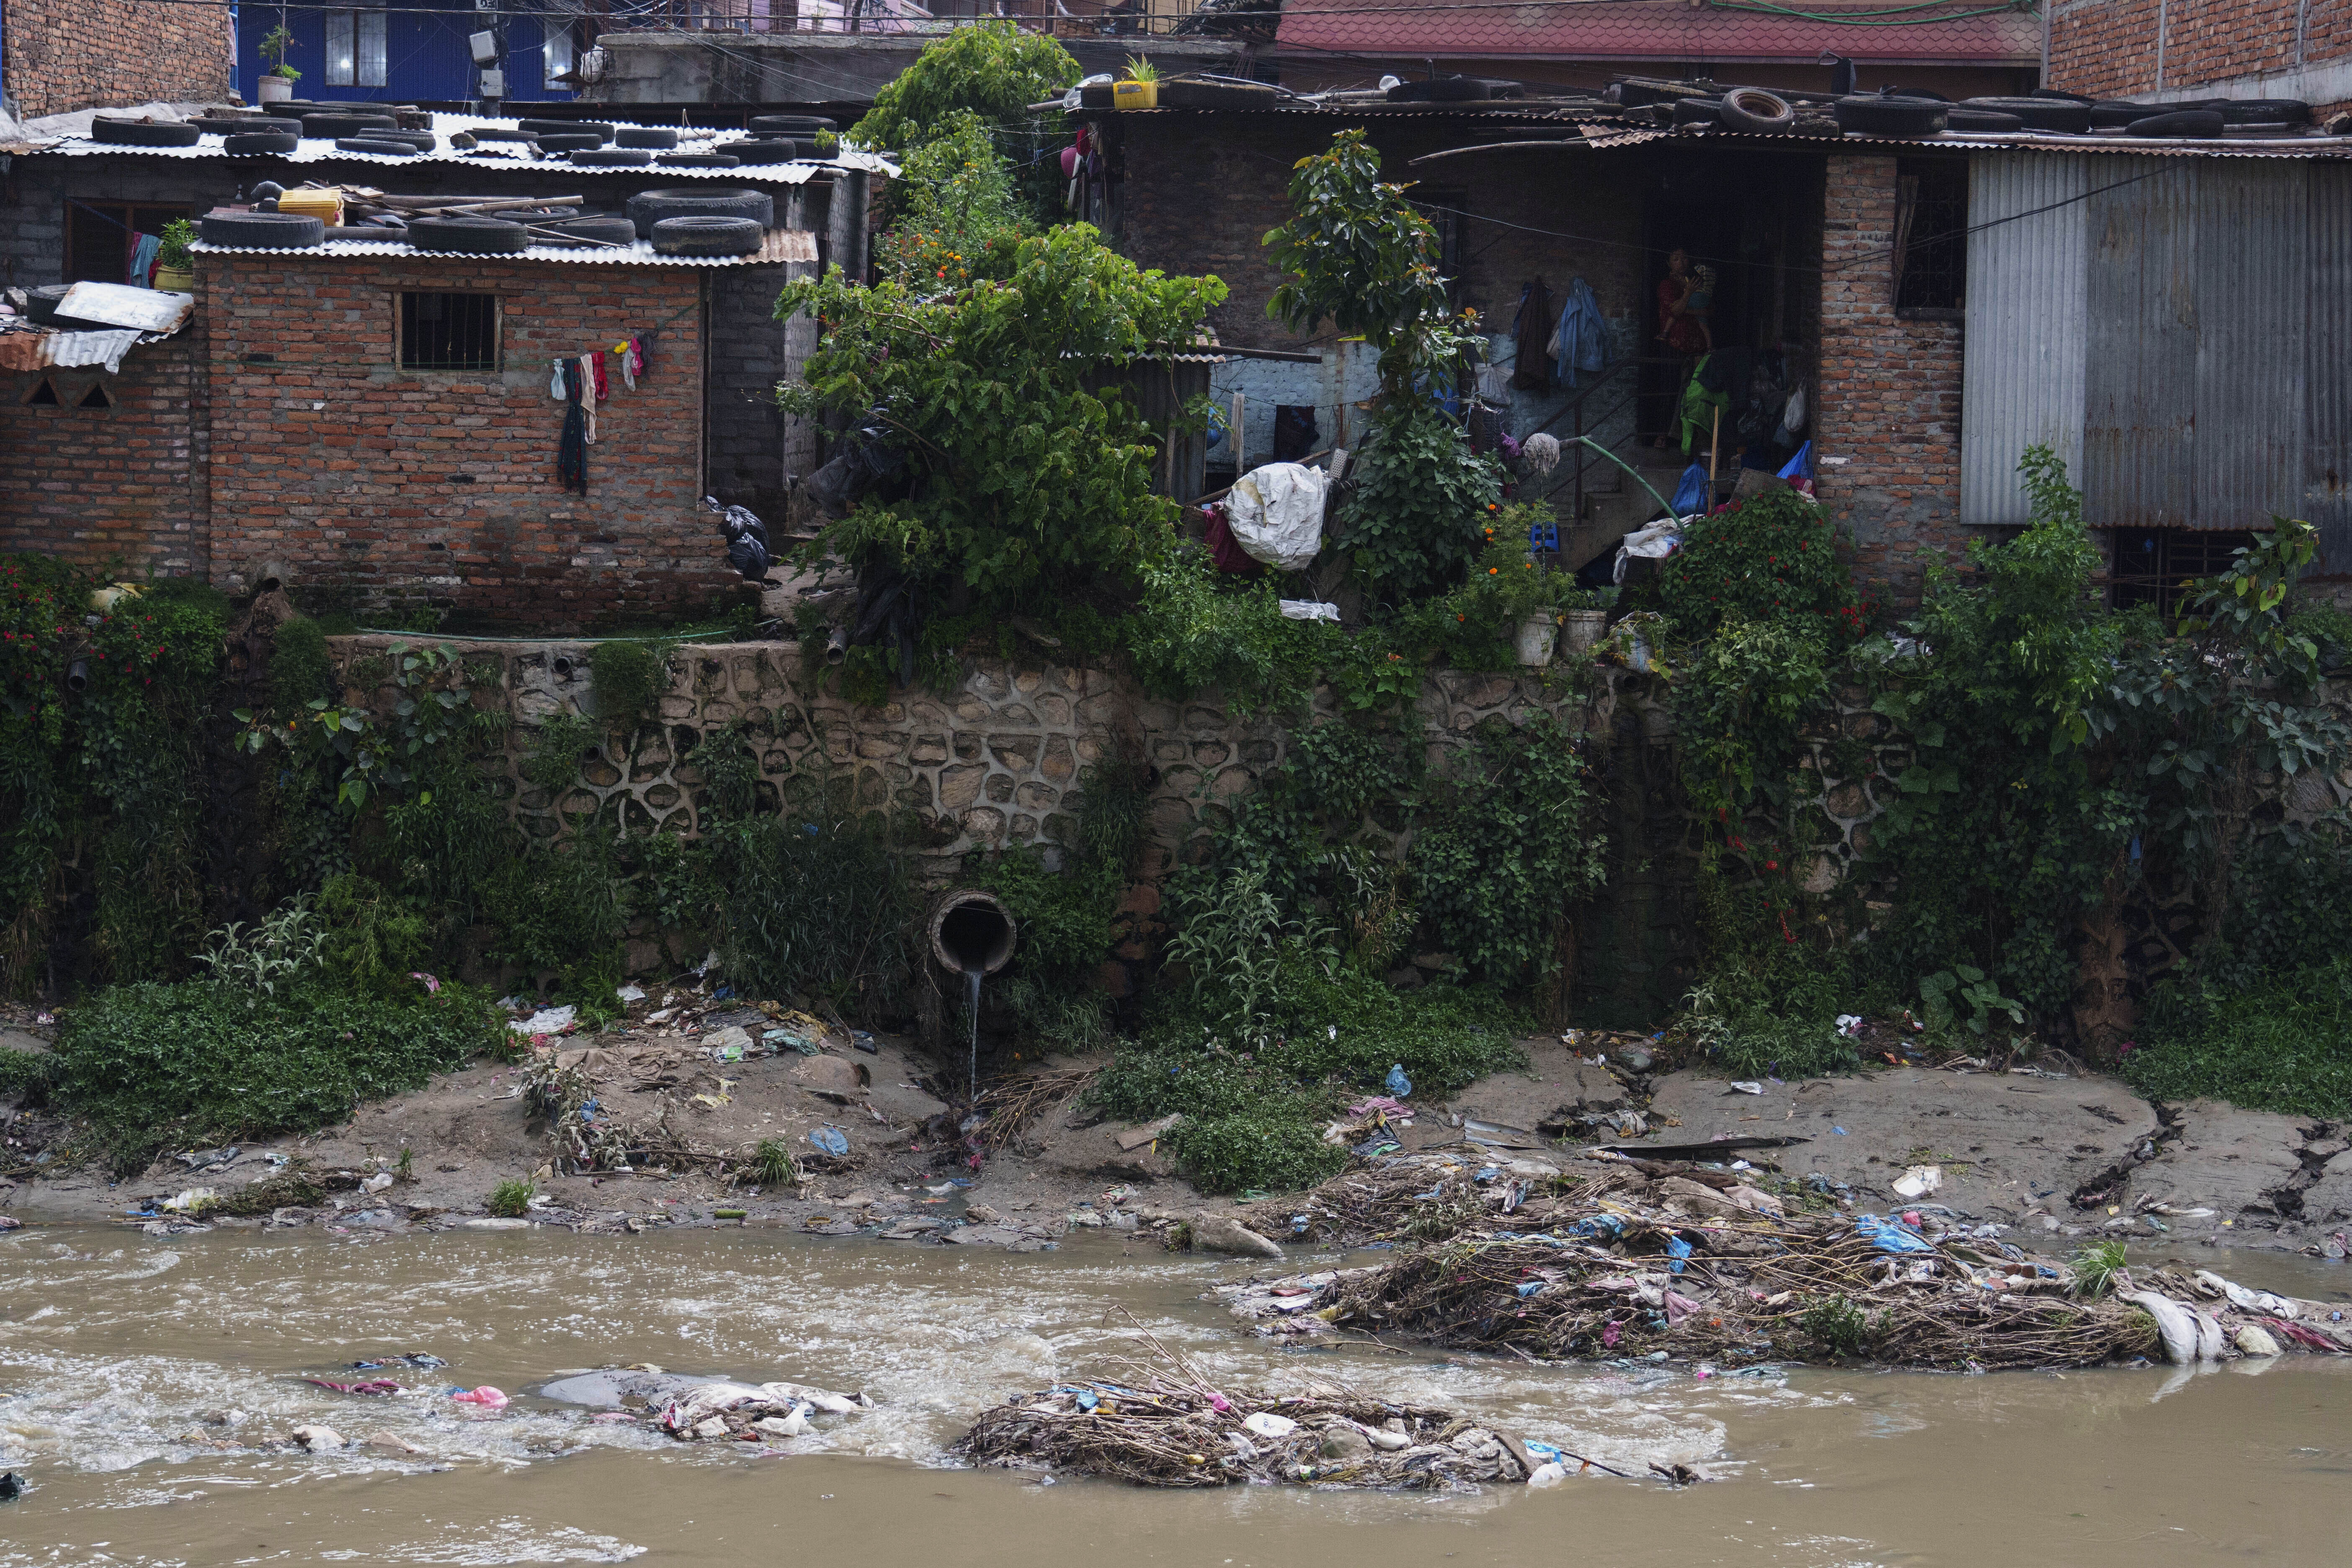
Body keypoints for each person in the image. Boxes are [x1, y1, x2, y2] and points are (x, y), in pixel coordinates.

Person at [1652, 249, 1710, 449]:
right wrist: (1687, 295)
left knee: (1694, 393)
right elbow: (1675, 310)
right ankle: (1663, 435)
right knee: (1670, 391)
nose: (1681, 262)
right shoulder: (1667, 285)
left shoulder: (1695, 282)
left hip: (1696, 347)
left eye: (1685, 257)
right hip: (1674, 346)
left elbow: (1706, 310)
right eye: (1676, 258)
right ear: (1669, 263)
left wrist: (1688, 307)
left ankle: (1691, 438)